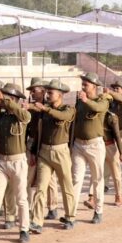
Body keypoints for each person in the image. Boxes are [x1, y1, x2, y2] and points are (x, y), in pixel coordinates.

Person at [0, 82, 32, 242]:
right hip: (1, 161)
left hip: (18, 161)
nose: (3, 100)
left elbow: (25, 117)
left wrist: (7, 101)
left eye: (7, 98)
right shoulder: (1, 116)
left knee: (21, 198)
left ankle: (24, 229)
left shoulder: (22, 115)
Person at [30, 80, 77, 230]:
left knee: (66, 186)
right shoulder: (45, 110)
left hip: (61, 152)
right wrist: (33, 151)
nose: (48, 95)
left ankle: (70, 216)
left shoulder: (68, 109)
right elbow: (39, 132)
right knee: (40, 188)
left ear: (60, 95)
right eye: (47, 92)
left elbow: (62, 116)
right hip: (44, 152)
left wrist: (45, 109)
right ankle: (37, 221)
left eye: (51, 93)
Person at [72, 73, 110, 224]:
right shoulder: (80, 101)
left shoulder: (102, 100)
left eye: (86, 84)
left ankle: (98, 211)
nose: (83, 87)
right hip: (78, 144)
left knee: (97, 179)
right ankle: (71, 213)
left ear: (94, 86)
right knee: (76, 179)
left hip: (95, 145)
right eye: (82, 84)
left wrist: (86, 100)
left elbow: (98, 108)